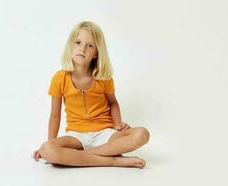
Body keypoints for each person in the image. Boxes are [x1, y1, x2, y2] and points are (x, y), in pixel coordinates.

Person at [33, 21, 150, 168]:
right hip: (76, 136)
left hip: (105, 134)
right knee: (46, 149)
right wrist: (50, 144)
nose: (82, 48)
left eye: (90, 45)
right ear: (71, 45)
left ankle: (82, 157)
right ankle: (113, 160)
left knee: (142, 134)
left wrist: (117, 124)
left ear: (96, 53)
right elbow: (55, 115)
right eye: (78, 42)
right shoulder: (59, 78)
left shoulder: (103, 78)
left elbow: (113, 102)